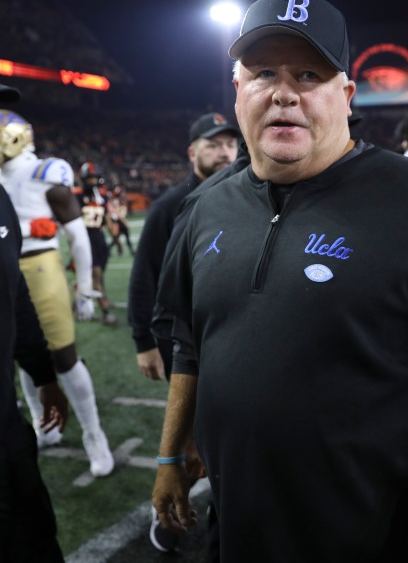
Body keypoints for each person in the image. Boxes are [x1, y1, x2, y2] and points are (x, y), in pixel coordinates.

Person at [151, 0, 408, 563]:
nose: (283, 92)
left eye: (309, 74)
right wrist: (170, 456)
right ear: (238, 92)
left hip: (383, 537)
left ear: (347, 96)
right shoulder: (205, 206)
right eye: (263, 73)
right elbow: (190, 341)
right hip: (238, 528)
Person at [128, 112, 241, 554]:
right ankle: (169, 510)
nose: (224, 152)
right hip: (184, 346)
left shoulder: (247, 194)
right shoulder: (171, 204)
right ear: (192, 152)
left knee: (220, 442)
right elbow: (143, 278)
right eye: (213, 145)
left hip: (227, 345)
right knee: (189, 439)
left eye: (230, 144)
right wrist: (144, 344)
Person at [0, 108, 114, 477]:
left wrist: (84, 289)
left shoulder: (45, 172)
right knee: (21, 355)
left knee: (63, 355)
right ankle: (42, 424)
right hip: (6, 269)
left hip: (39, 264)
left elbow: (78, 235)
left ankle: (94, 437)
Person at [0, 82, 68, 563]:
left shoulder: (1, 200)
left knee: (34, 539)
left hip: (5, 424)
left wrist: (44, 376)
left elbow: (15, 297)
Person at [73, 161, 117, 326]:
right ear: (84, 179)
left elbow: (106, 217)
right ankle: (105, 312)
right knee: (96, 275)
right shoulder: (77, 195)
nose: (95, 181)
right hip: (86, 239)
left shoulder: (102, 196)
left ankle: (83, 300)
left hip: (99, 238)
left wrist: (115, 236)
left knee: (99, 274)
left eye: (96, 177)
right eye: (91, 178)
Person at [107, 184, 135, 256]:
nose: (123, 195)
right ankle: (110, 249)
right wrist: (124, 222)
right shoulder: (115, 201)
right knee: (117, 238)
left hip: (119, 221)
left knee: (122, 238)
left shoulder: (118, 201)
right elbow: (117, 214)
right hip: (118, 222)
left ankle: (130, 251)